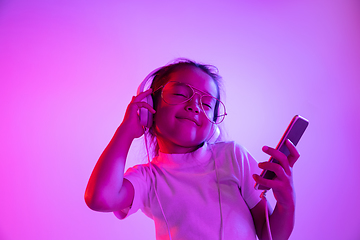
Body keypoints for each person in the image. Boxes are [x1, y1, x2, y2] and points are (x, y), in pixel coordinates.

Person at [85, 59, 299, 240]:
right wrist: (126, 131)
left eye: (206, 104)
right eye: (179, 94)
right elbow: (101, 198)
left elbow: (269, 234)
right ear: (150, 107)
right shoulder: (148, 178)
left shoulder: (233, 157)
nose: (194, 105)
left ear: (213, 125)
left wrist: (286, 202)